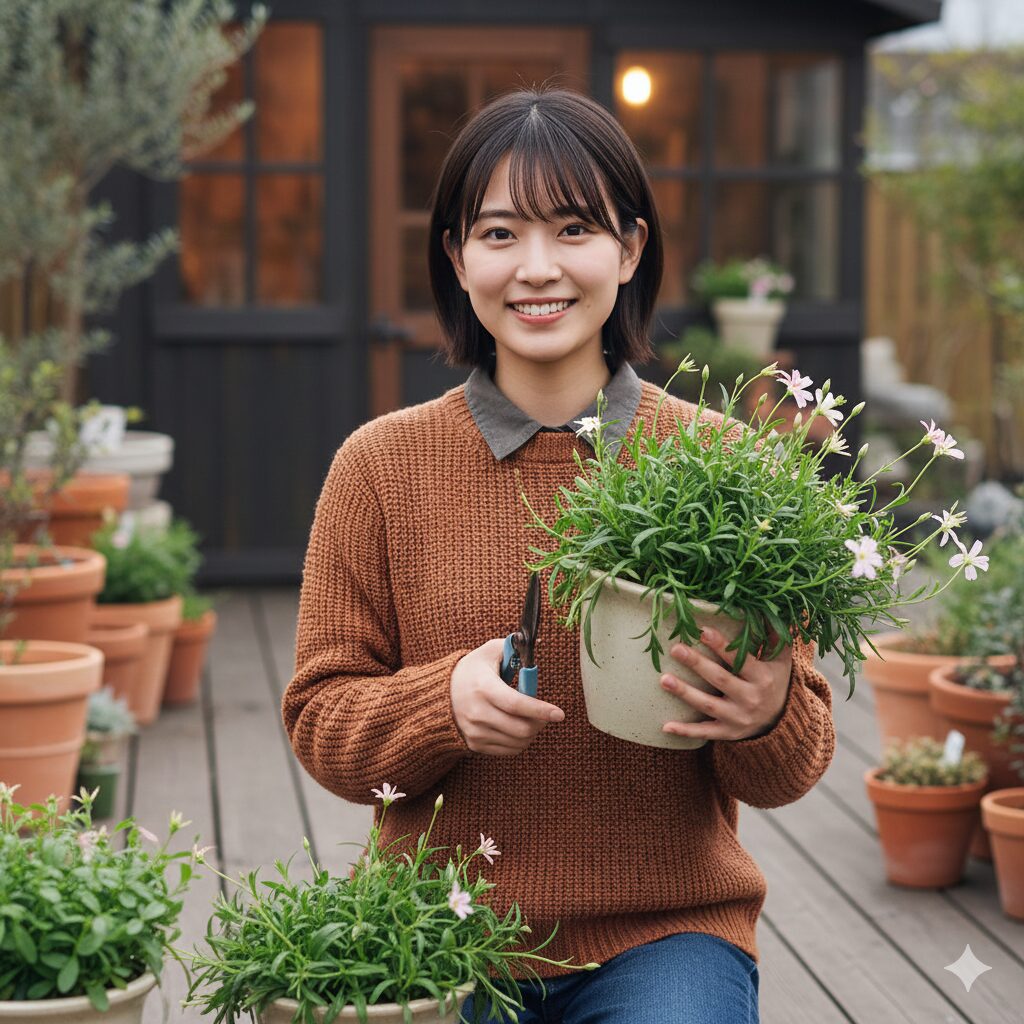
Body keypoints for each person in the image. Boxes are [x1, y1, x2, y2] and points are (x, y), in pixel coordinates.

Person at [282, 86, 835, 1024]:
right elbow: (322, 723)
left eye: (574, 228)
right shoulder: (379, 466)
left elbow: (787, 770)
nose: (537, 269)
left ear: (629, 248)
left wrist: (765, 709)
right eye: (499, 234)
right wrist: (441, 703)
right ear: (456, 257)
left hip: (665, 932)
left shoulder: (725, 464)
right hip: (438, 931)